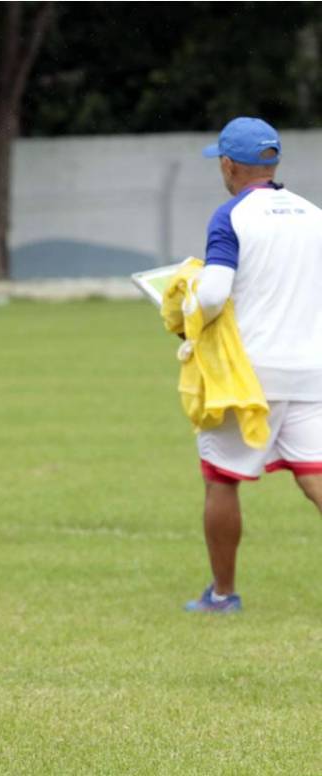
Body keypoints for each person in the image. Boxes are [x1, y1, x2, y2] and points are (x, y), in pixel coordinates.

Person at [184, 117, 322, 612]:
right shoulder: (313, 213)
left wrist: (184, 310)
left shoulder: (231, 216)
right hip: (310, 370)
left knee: (221, 477)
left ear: (227, 164)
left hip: (248, 374)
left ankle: (222, 595)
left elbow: (213, 294)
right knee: (315, 475)